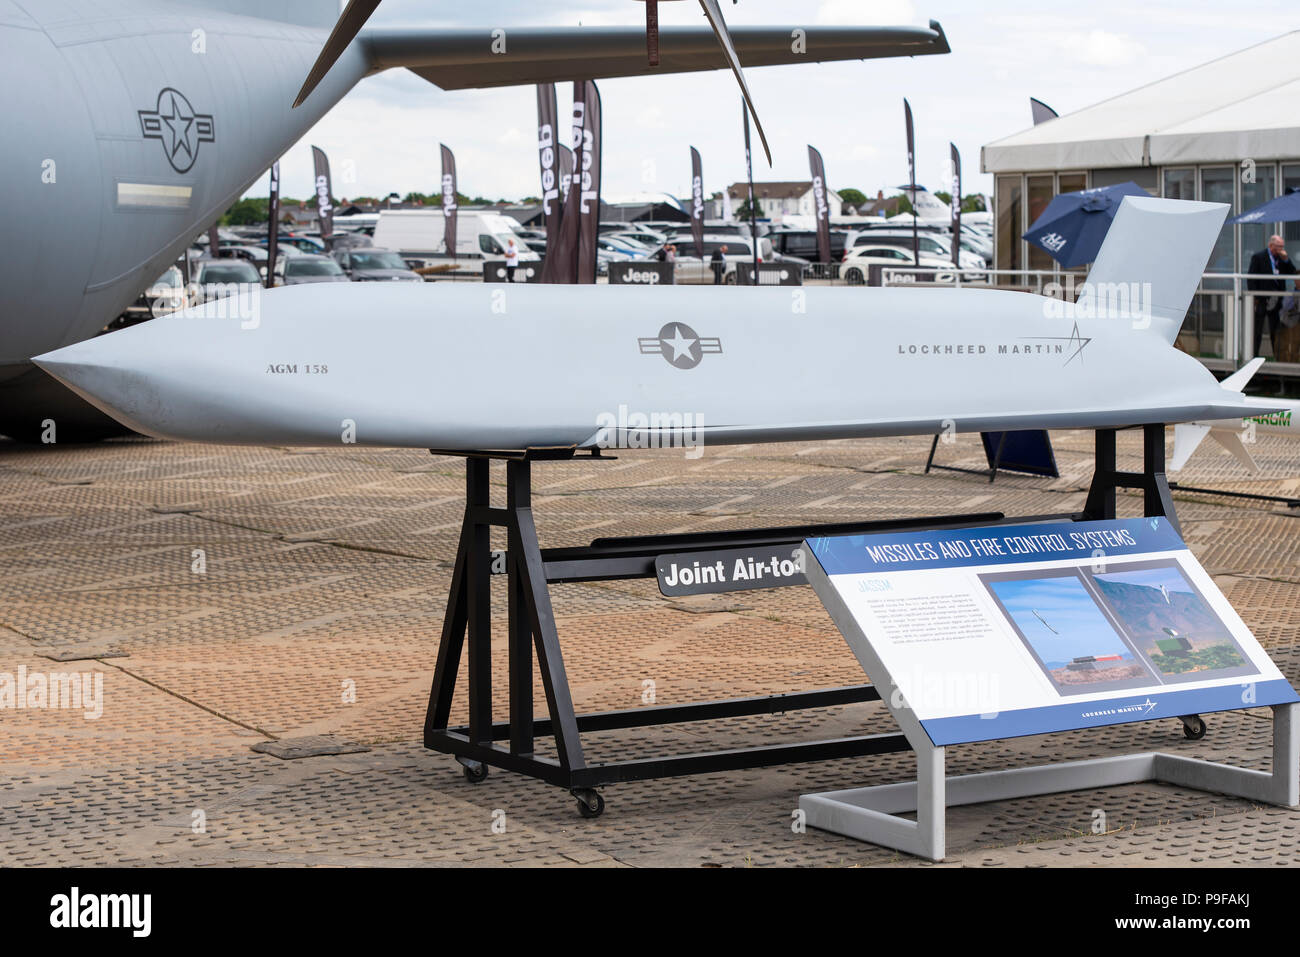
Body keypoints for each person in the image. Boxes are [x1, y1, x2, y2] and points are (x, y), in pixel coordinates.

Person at [1247, 234, 1298, 357]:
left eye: (1282, 246)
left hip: (1277, 299)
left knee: (1275, 330)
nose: (1281, 249)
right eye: (1278, 247)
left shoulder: (1281, 258)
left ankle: (1277, 356)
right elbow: (1251, 278)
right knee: (1257, 329)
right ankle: (1254, 355)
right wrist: (1255, 297)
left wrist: (1286, 259)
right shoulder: (1258, 257)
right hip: (1262, 298)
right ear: (1271, 246)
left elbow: (1292, 272)